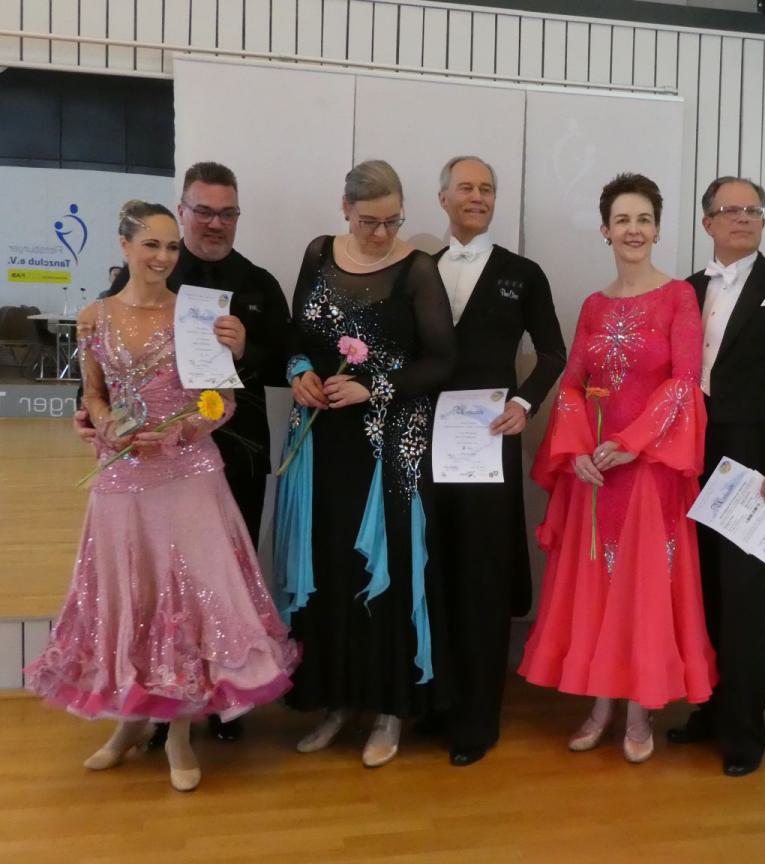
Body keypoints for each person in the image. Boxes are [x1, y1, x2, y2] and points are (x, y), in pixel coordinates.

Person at [24, 201, 297, 792]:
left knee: (188, 601)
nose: (164, 257)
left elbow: (221, 402)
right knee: (132, 597)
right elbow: (93, 393)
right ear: (124, 246)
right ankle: (129, 723)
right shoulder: (94, 317)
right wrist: (104, 424)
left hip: (187, 474)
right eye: (152, 244)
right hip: (121, 479)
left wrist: (178, 432)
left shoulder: (196, 315)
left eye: (172, 247)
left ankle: (177, 734)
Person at [87, 161, 292, 744]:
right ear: (182, 211)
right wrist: (94, 416)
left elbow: (287, 362)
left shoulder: (259, 282)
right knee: (154, 585)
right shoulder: (130, 285)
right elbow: (106, 371)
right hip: (146, 459)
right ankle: (160, 711)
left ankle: (226, 705)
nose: (215, 223)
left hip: (235, 449)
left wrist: (247, 349)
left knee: (222, 582)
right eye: (204, 211)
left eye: (227, 213)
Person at [518, 173, 716, 763]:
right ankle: (601, 704)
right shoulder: (594, 305)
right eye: (623, 220)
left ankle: (639, 710)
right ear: (605, 230)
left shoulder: (678, 296)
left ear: (657, 229)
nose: (634, 230)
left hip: (649, 470)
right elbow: (572, 383)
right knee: (598, 589)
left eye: (644, 220)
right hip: (596, 475)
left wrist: (633, 443)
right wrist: (577, 449)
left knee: (644, 591)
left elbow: (684, 383)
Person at [276, 159, 457, 769]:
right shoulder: (318, 254)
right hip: (322, 438)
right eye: (368, 221)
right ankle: (337, 699)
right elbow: (296, 335)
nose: (381, 233)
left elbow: (441, 361)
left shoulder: (418, 270)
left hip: (388, 443)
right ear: (345, 210)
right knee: (330, 564)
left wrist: (373, 387)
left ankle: (388, 707)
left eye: (392, 220)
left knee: (387, 568)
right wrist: (298, 371)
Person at [668, 177, 765, 777]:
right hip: (690, 461)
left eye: (752, 210)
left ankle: (744, 733)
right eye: (730, 210)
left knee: (745, 601)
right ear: (706, 222)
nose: (743, 218)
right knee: (702, 592)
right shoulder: (685, 290)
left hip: (760, 468)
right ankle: (710, 710)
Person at [430, 156, 566, 766]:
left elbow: (553, 352)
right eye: (466, 187)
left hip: (490, 443)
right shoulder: (418, 269)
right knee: (433, 568)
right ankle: (435, 703)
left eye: (487, 188)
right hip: (426, 443)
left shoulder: (522, 273)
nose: (477, 197)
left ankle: (477, 718)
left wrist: (523, 402)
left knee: (482, 576)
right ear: (444, 197)